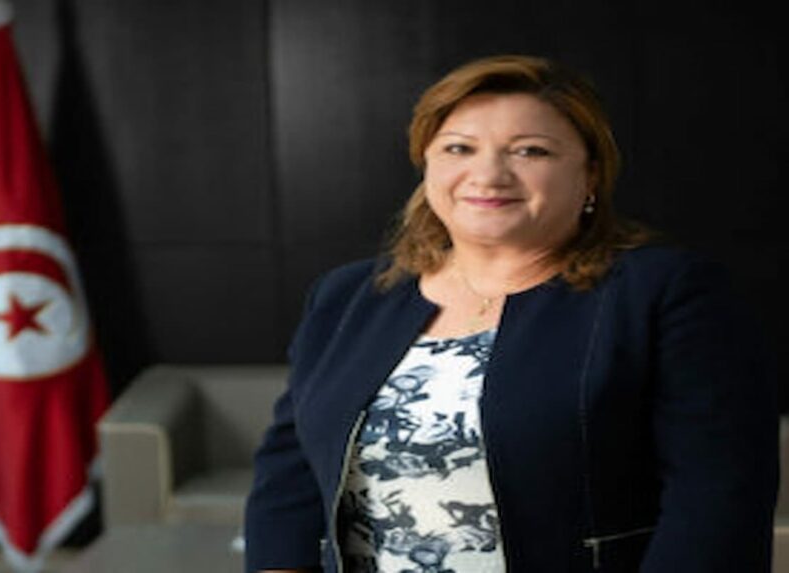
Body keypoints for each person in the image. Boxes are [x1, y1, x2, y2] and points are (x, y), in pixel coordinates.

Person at [244, 54, 778, 572]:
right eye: (459, 147)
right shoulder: (348, 296)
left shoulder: (664, 292)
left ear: (591, 174)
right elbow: (289, 477)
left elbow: (718, 499)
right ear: (428, 164)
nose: (489, 174)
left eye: (530, 151)